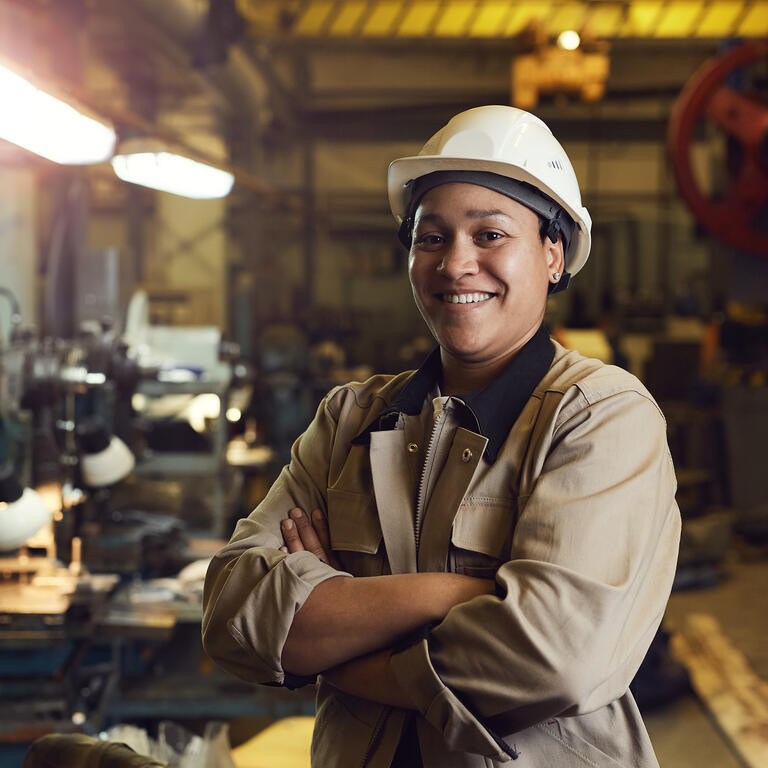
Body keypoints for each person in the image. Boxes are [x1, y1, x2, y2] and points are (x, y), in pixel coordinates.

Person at [202, 106, 681, 768]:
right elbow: (232, 613)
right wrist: (450, 593)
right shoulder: (350, 419)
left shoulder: (600, 416)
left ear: (553, 254)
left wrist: (341, 646)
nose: (457, 264)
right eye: (431, 237)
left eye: (490, 234)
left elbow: (553, 658)